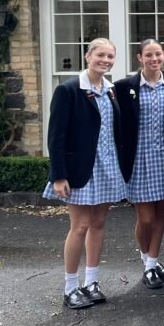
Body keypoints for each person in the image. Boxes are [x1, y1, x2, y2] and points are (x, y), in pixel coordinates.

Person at [45, 38, 127, 309]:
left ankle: (91, 282)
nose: (105, 60)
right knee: (79, 226)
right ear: (88, 56)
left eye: (110, 56)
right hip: (80, 169)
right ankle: (70, 287)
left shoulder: (111, 90)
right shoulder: (68, 90)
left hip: (106, 165)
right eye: (100, 55)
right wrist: (58, 175)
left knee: (99, 224)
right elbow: (56, 136)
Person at [115, 38, 164, 291]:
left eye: (158, 55)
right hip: (138, 158)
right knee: (146, 217)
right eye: (148, 55)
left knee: (161, 213)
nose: (154, 59)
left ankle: (152, 263)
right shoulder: (123, 87)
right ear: (139, 58)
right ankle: (146, 258)